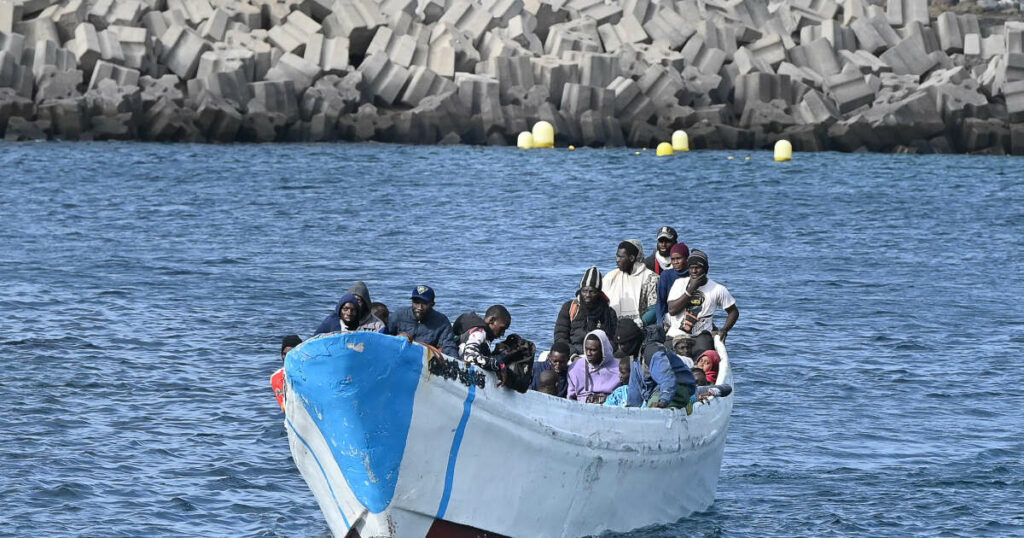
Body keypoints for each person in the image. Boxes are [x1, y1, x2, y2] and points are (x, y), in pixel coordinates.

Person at [665, 250, 739, 358]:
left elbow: (733, 312)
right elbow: (672, 310)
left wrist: (724, 330)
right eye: (691, 268)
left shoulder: (718, 289)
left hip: (701, 336)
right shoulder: (679, 284)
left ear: (706, 269)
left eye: (697, 268)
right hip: (676, 334)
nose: (694, 271)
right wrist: (690, 290)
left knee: (704, 358)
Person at [553, 266, 618, 355]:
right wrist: (573, 354)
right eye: (584, 291)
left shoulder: (609, 312)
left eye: (592, 291)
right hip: (573, 352)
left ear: (599, 293)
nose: (587, 295)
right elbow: (560, 336)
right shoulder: (569, 308)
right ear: (580, 291)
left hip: (598, 353)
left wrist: (601, 353)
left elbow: (613, 339)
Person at [387, 285, 459, 357]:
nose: (419, 307)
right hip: (398, 355)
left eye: (424, 303)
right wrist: (397, 338)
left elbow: (448, 346)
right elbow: (384, 337)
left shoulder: (441, 321)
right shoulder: (399, 315)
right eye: (416, 302)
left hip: (424, 359)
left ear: (432, 304)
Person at [604, 240, 659, 327]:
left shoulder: (651, 278)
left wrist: (638, 324)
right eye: (617, 257)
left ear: (632, 258)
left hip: (641, 328)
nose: (617, 260)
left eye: (621, 257)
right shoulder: (610, 277)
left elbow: (654, 309)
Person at [626, 342, 697, 410]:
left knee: (654, 411)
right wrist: (630, 410)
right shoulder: (635, 359)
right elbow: (634, 386)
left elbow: (667, 380)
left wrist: (663, 401)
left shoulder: (654, 353)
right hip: (659, 393)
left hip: (676, 390)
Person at [567, 330, 620, 404]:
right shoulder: (576, 368)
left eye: (593, 350)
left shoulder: (618, 368)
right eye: (586, 349)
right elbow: (571, 397)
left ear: (603, 350)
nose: (588, 353)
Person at [314, 281, 386, 335]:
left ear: (365, 302)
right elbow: (314, 341)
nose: (353, 303)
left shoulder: (378, 325)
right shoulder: (332, 321)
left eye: (357, 300)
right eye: (350, 300)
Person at [655, 242, 690, 326]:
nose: (675, 262)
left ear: (686, 258)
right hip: (670, 317)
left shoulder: (693, 275)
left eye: (678, 258)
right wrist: (660, 322)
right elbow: (661, 302)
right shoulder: (666, 276)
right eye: (673, 259)